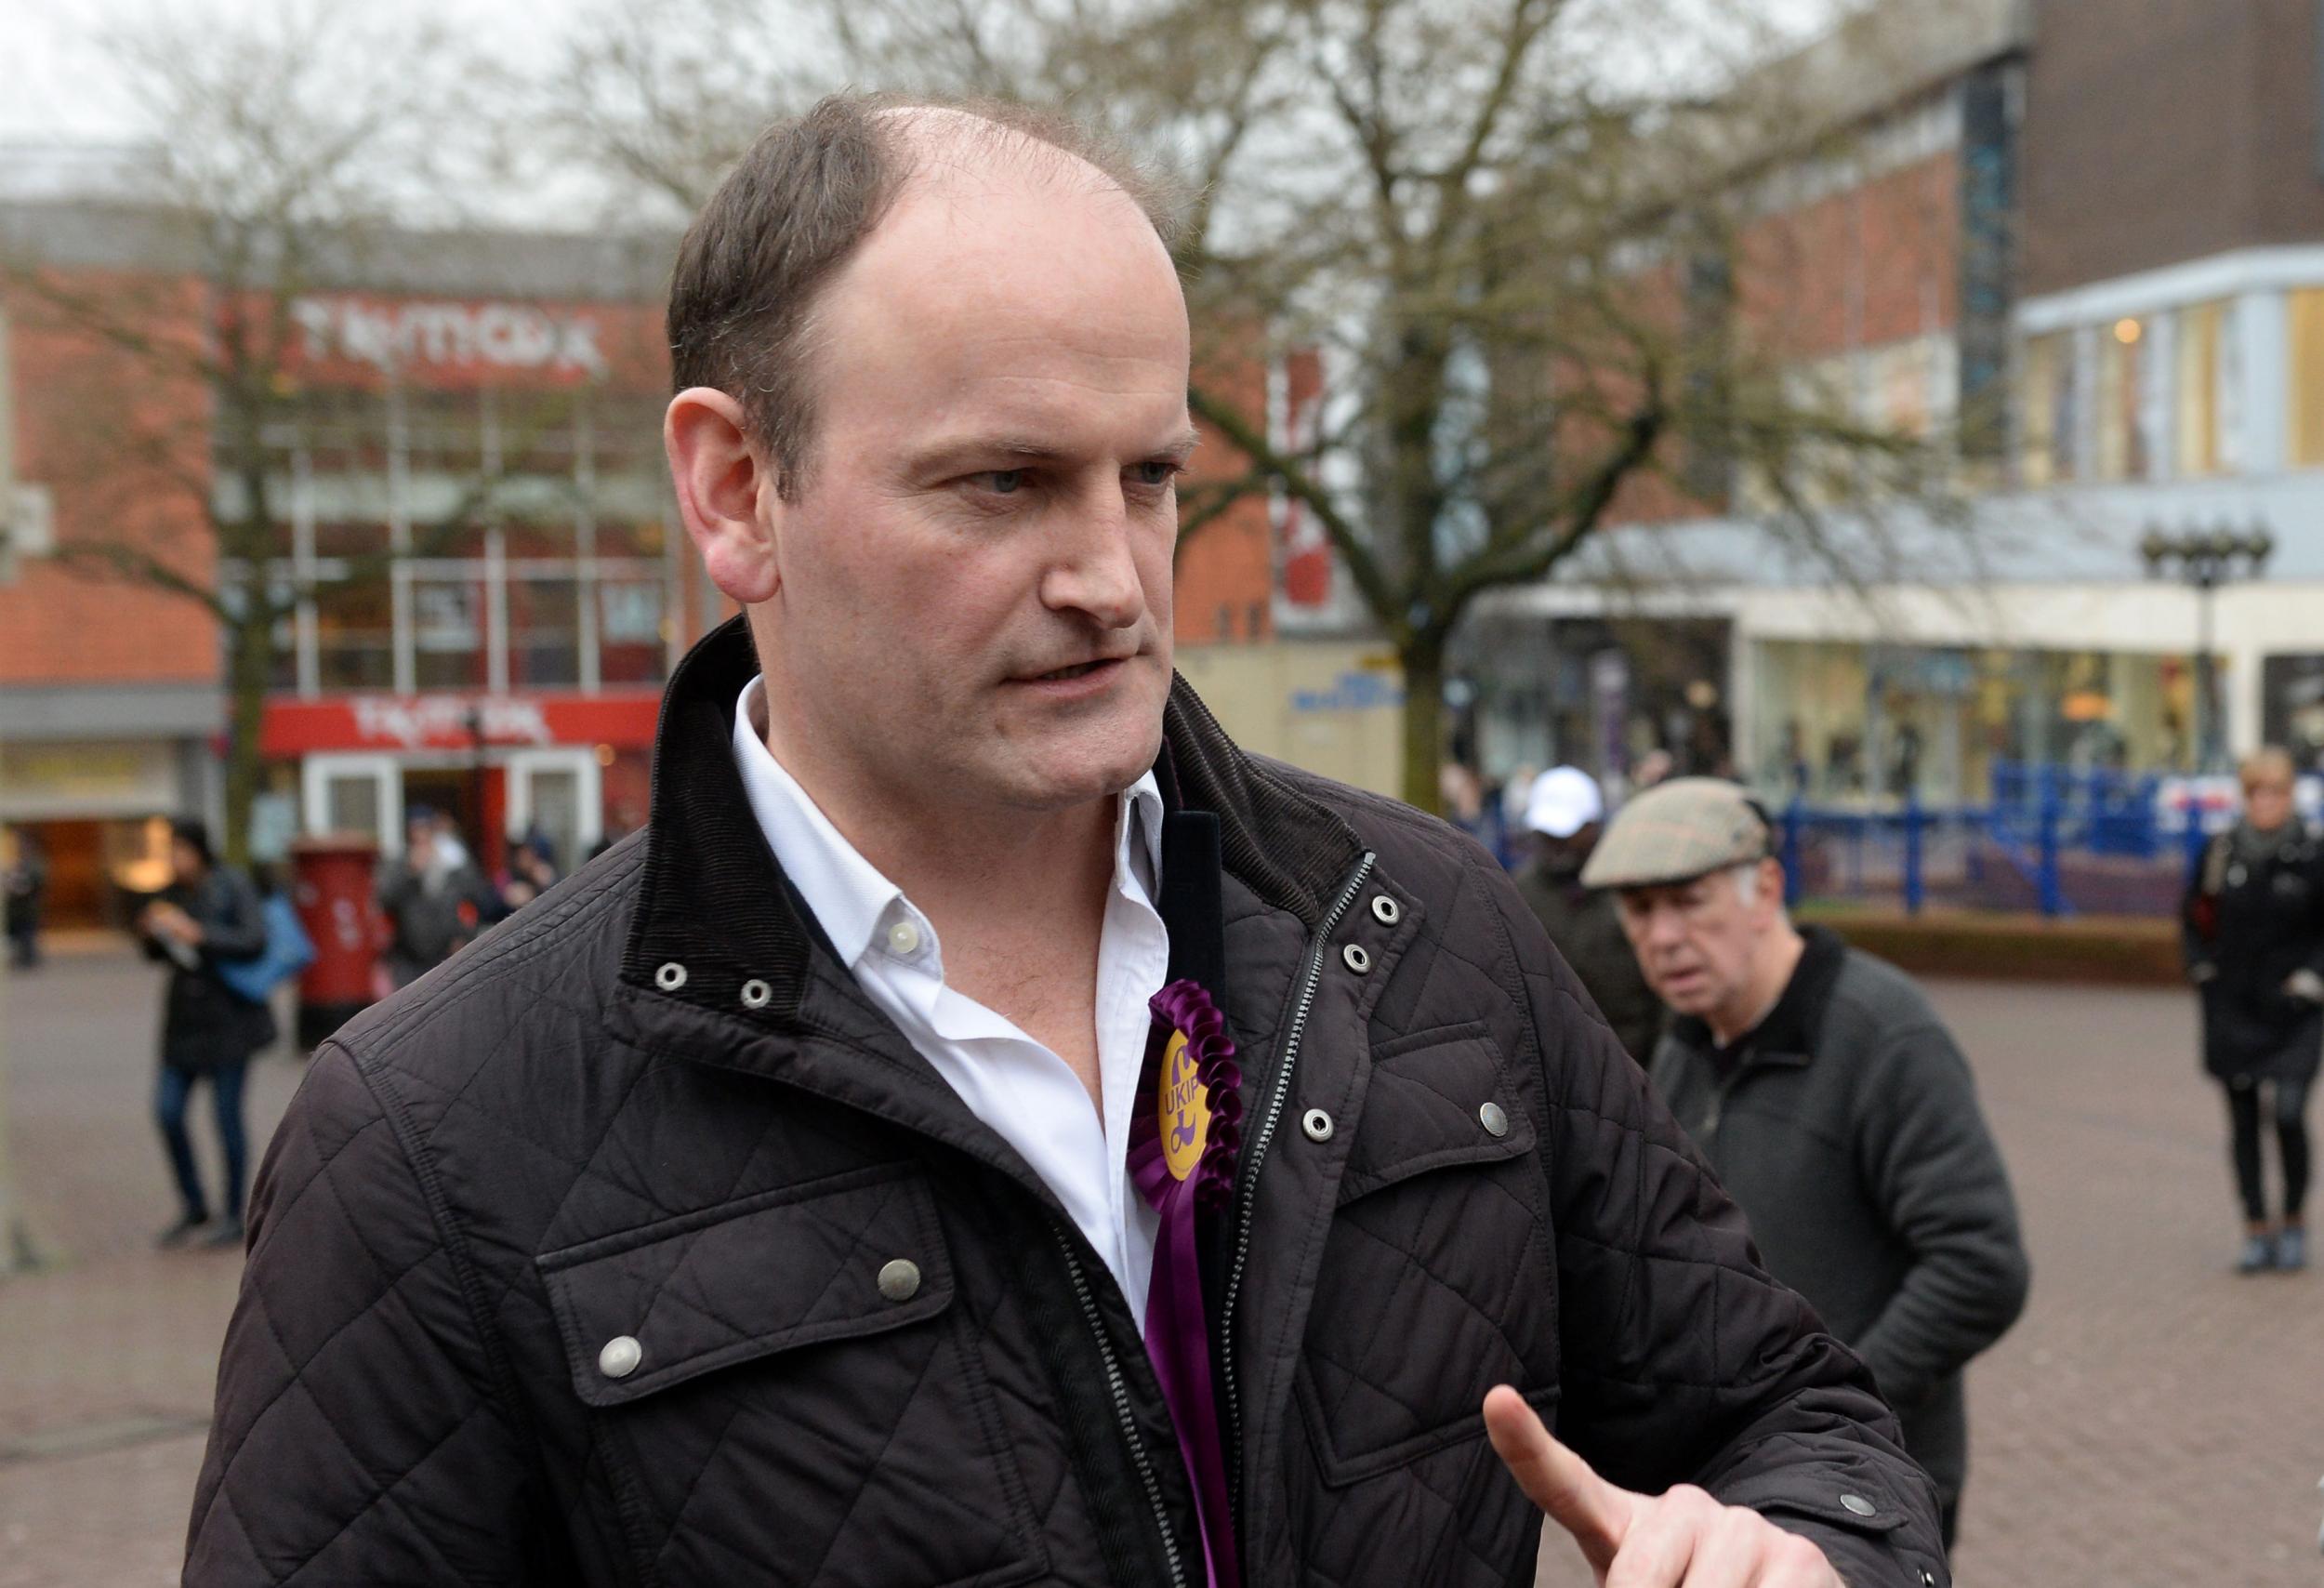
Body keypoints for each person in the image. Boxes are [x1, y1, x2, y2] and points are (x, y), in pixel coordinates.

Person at [188, 96, 1949, 1588]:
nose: (1111, 576)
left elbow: (1803, 1421)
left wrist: (1789, 1546)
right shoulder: (438, 1132)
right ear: (735, 491)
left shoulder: (1422, 934)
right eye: (1002, 483)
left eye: (1152, 476)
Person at [1587, 778, 2030, 1553]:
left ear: (1765, 889)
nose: (1660, 937)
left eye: (1688, 901)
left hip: (1866, 1494)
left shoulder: (1883, 1033)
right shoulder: (1686, 1044)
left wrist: (1835, 1411)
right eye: (1638, 910)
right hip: (1727, 1487)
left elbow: (1980, 1265)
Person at [2182, 746, 2324, 1273]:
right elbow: (2193, 919)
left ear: (2290, 796)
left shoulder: (2312, 854)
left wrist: (2312, 978)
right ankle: (2255, 1226)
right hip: (2234, 1008)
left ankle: (2293, 1220)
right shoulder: (2221, 853)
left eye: (2277, 792)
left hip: (2295, 1011)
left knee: (2288, 1114)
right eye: (2256, 791)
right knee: (2242, 1123)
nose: (2266, 802)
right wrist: (2201, 970)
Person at [138, 818, 274, 1250]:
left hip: (227, 1023)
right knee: (167, 1111)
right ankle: (194, 1204)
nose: (175, 861)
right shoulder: (173, 892)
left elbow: (254, 940)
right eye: (170, 852)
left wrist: (199, 933)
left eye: (180, 851)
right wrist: (153, 933)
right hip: (182, 1026)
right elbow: (158, 954)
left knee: (226, 1120)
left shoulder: (231, 885)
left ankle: (235, 1214)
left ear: (199, 851)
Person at [1513, 766, 1662, 1063]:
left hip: (1632, 1061)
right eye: (1546, 834)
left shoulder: (1630, 888)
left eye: (1566, 834)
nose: (1555, 844)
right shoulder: (1519, 893)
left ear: (1593, 827)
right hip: (1553, 1065)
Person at [375, 806, 491, 987]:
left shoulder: (452, 857)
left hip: (446, 954)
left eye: (425, 829)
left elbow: (476, 896)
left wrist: (463, 936)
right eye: (415, 830)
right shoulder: (399, 862)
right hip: (409, 959)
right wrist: (410, 873)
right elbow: (385, 898)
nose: (420, 836)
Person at [4, 826, 46, 970]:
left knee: (27, 933)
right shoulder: (19, 862)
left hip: (27, 907)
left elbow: (34, 884)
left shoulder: (35, 863)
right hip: (16, 908)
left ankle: (29, 958)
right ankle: (23, 957)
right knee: (19, 935)